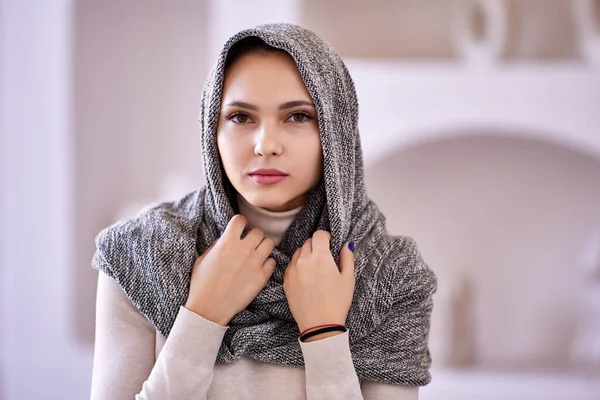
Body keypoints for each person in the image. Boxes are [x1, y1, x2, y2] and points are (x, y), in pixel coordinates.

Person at [90, 23, 436, 399]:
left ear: (335, 131)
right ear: (212, 129)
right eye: (241, 117)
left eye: (298, 116)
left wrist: (325, 336)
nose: (266, 145)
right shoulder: (139, 255)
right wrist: (201, 319)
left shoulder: (390, 274)